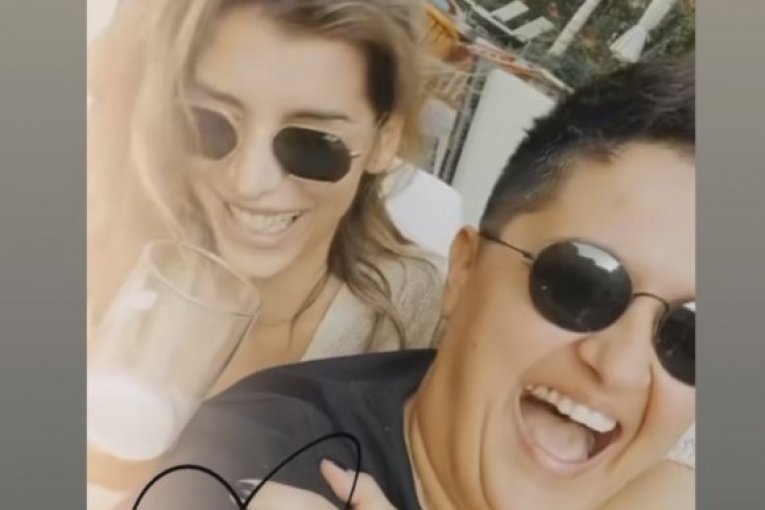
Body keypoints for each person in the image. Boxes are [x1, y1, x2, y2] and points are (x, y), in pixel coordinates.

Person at [121, 55, 696, 510]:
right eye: (581, 284)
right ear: (464, 272)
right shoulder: (263, 463)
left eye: (691, 337)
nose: (621, 368)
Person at [86, 0, 446, 500]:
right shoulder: (104, 253)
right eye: (211, 122)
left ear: (385, 141)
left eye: (312, 143)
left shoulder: (422, 317)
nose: (249, 181)